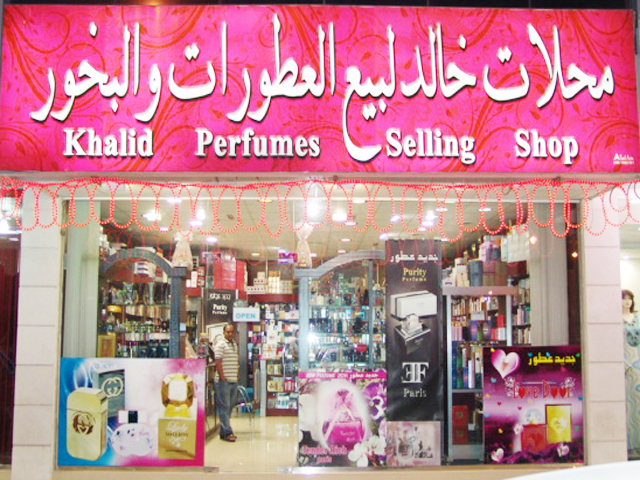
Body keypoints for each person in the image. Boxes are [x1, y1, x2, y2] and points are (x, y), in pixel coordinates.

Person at [214, 322, 239, 442]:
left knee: (230, 406)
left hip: (233, 380)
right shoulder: (220, 344)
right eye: (227, 332)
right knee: (224, 406)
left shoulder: (234, 344)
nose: (230, 334)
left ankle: (223, 431)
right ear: (224, 332)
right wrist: (223, 378)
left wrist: (237, 375)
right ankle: (228, 432)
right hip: (223, 382)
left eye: (231, 332)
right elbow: (218, 362)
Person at [622, 289, 640, 458]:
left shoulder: (638, 318)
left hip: (639, 363)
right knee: (629, 407)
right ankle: (630, 446)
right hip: (626, 368)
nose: (627, 302)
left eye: (629, 299)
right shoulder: (615, 320)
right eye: (624, 298)